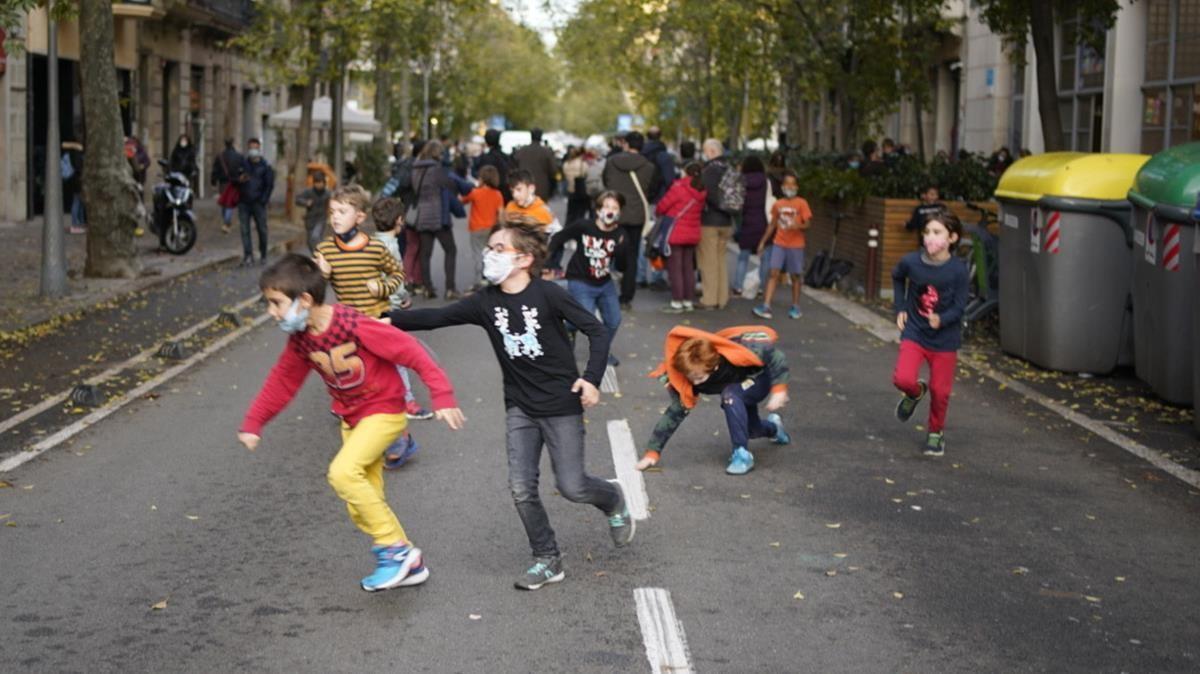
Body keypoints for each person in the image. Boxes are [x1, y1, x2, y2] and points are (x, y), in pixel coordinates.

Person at [385, 221, 635, 590]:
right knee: (521, 487)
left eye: (499, 248)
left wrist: (592, 378)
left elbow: (596, 330)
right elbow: (437, 317)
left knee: (572, 486)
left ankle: (612, 497)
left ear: (524, 259)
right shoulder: (487, 301)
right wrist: (388, 320)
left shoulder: (549, 295)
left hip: (561, 405)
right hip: (520, 406)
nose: (490, 254)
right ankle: (547, 558)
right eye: (490, 247)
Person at [237, 254, 462, 592]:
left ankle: (396, 551)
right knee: (362, 502)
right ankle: (410, 564)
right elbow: (281, 382)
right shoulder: (301, 341)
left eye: (276, 303)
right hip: (352, 419)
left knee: (342, 473)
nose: (271, 312)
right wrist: (254, 421)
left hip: (384, 411)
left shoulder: (352, 324)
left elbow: (411, 351)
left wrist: (442, 395)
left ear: (306, 300)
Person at [312, 187, 427, 471]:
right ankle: (385, 437)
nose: (335, 218)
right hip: (347, 329)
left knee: (382, 385)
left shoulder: (375, 248)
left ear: (360, 216)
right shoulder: (325, 250)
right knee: (360, 386)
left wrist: (382, 287)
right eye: (332, 212)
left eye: (342, 212)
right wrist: (321, 276)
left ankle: (398, 439)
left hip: (377, 324)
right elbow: (312, 293)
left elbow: (397, 274)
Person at [636, 325, 791, 475]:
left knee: (729, 395)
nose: (695, 383)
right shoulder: (689, 378)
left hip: (758, 380)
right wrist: (652, 452)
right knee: (752, 430)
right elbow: (674, 414)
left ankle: (741, 455)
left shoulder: (736, 352)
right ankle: (774, 428)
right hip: (738, 392)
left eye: (699, 378)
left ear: (715, 367)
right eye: (691, 378)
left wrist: (779, 389)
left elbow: (776, 356)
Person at [891, 207, 970, 457]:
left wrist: (942, 318)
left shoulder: (958, 270)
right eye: (927, 232)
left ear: (952, 238)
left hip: (945, 339)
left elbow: (960, 306)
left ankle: (936, 432)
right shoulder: (911, 262)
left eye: (937, 232)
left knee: (941, 391)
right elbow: (896, 277)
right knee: (902, 379)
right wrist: (901, 307)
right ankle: (915, 393)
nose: (929, 237)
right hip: (915, 331)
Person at [546, 190, 626, 366]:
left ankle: (602, 352)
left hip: (604, 282)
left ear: (619, 212)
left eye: (614, 207)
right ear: (598, 210)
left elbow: (622, 263)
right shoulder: (585, 226)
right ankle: (568, 327)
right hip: (580, 280)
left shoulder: (620, 233)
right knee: (585, 319)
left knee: (613, 320)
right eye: (606, 207)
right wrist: (548, 262)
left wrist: (621, 249)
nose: (610, 211)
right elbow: (559, 237)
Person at [602, 130, 658, 309]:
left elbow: (605, 182)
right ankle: (626, 296)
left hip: (613, 212)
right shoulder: (649, 166)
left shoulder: (611, 162)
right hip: (636, 215)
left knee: (606, 250)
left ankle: (602, 292)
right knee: (632, 253)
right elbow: (653, 189)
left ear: (625, 144)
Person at [754, 171, 812, 320]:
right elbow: (772, 225)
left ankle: (796, 306)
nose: (790, 187)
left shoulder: (802, 203)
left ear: (797, 186)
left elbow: (808, 223)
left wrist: (798, 225)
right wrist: (762, 241)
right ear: (782, 186)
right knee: (773, 273)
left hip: (796, 245)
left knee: (795, 276)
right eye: (787, 184)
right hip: (779, 243)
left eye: (793, 184)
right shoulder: (778, 204)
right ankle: (766, 306)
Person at [411, 140, 459, 300]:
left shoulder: (416, 168)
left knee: (425, 253)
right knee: (450, 249)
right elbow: (449, 185)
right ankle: (450, 288)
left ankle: (427, 287)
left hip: (422, 215)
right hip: (438, 215)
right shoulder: (436, 169)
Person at [656, 162, 705, 314]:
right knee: (688, 268)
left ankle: (677, 301)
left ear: (685, 172)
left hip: (676, 233)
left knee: (675, 268)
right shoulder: (702, 190)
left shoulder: (678, 187)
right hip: (693, 233)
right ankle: (688, 301)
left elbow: (662, 207)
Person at [698, 138, 734, 309]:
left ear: (711, 151)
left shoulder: (709, 170)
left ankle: (710, 299)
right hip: (727, 220)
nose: (705, 154)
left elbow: (705, 193)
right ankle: (722, 298)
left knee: (709, 262)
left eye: (706, 151)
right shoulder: (730, 168)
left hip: (710, 220)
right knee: (721, 261)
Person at [461, 165, 506, 291]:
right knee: (490, 253)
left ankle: (479, 281)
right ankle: (489, 278)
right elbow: (501, 213)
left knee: (478, 255)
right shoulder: (497, 194)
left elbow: (462, 200)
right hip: (491, 228)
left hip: (476, 228)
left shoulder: (475, 193)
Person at [734, 155, 770, 297]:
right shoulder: (766, 182)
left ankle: (738, 286)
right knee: (765, 257)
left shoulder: (741, 181)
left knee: (743, 256)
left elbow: (737, 203)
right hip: (762, 222)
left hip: (747, 222)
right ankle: (760, 288)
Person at [236, 138, 274, 266]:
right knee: (244, 230)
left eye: (255, 148)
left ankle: (263, 253)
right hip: (244, 202)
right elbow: (234, 180)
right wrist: (239, 180)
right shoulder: (243, 165)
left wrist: (264, 200)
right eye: (251, 148)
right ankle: (248, 255)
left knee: (262, 229)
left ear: (259, 149)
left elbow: (269, 185)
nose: (253, 151)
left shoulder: (265, 166)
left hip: (258, 202)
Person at [513, 128, 558, 203]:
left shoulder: (522, 151)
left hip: (524, 187)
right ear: (541, 137)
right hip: (541, 188)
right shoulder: (546, 152)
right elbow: (553, 170)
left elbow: (514, 168)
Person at [210, 138, 242, 233]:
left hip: (223, 182)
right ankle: (226, 222)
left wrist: (213, 181)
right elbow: (242, 169)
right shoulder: (238, 156)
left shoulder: (220, 156)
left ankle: (226, 220)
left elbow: (215, 170)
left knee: (224, 202)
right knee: (230, 203)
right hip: (234, 183)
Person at [295, 172, 331, 253]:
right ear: (314, 183)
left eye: (320, 183)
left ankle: (320, 255)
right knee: (310, 241)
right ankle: (315, 255)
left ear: (324, 183)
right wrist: (306, 202)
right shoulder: (309, 192)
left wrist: (331, 215)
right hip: (310, 219)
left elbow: (332, 203)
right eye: (317, 183)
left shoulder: (327, 193)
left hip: (321, 219)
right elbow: (297, 199)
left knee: (315, 236)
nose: (319, 185)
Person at [474, 129, 513, 203]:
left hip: (488, 196)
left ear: (487, 142)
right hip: (505, 194)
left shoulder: (485, 158)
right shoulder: (505, 157)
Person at [641, 127, 678, 203]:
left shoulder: (640, 153)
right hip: (659, 198)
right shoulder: (664, 156)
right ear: (660, 136)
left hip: (641, 197)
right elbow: (670, 180)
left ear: (647, 136)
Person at [562, 147, 590, 225]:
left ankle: (568, 228)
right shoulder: (582, 164)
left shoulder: (566, 164)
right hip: (580, 190)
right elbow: (586, 173)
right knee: (580, 213)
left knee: (570, 213)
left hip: (570, 189)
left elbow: (565, 174)